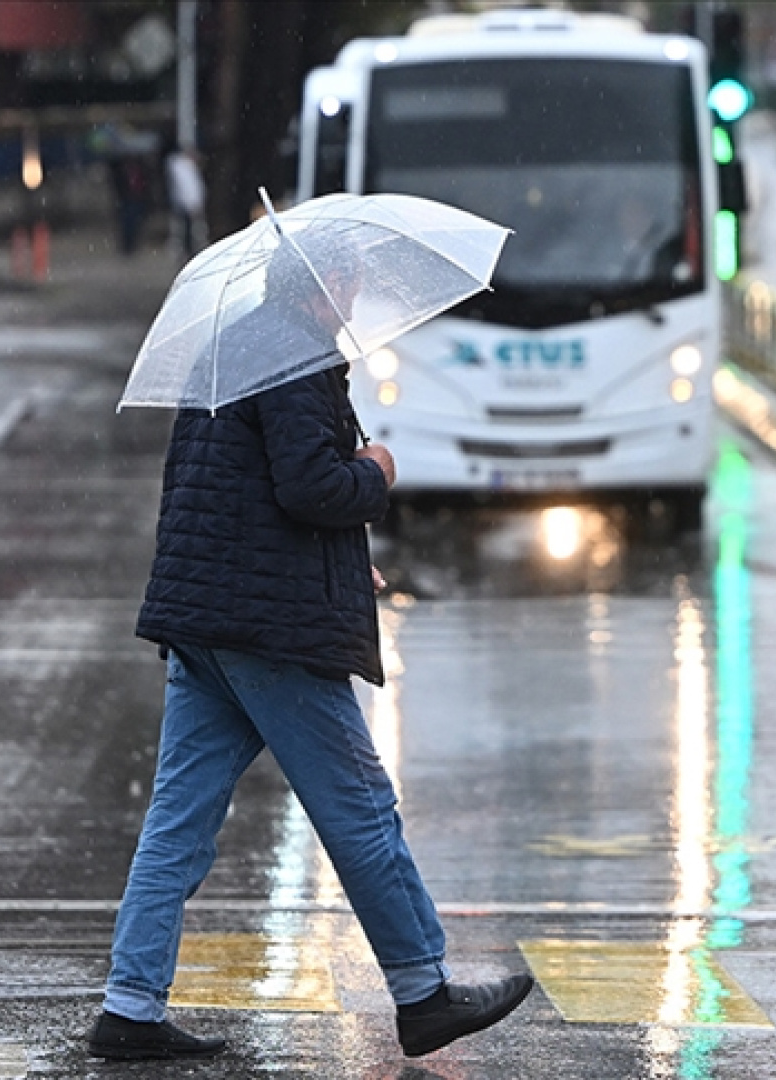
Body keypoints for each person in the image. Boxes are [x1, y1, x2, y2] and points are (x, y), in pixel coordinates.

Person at [87, 234, 535, 1062]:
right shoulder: (294, 354)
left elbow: (232, 494)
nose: (360, 291)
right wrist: (377, 471)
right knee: (360, 810)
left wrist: (335, 561)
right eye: (354, 276)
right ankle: (423, 990)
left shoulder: (235, 347)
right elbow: (310, 486)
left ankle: (130, 1002)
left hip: (209, 618)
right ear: (325, 278)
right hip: (271, 632)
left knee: (178, 823)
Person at [165, 142, 207, 257]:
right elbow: (188, 188)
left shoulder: (184, 167)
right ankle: (187, 250)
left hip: (185, 203)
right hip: (186, 204)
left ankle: (186, 249)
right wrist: (193, 204)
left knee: (186, 229)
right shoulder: (183, 168)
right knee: (187, 229)